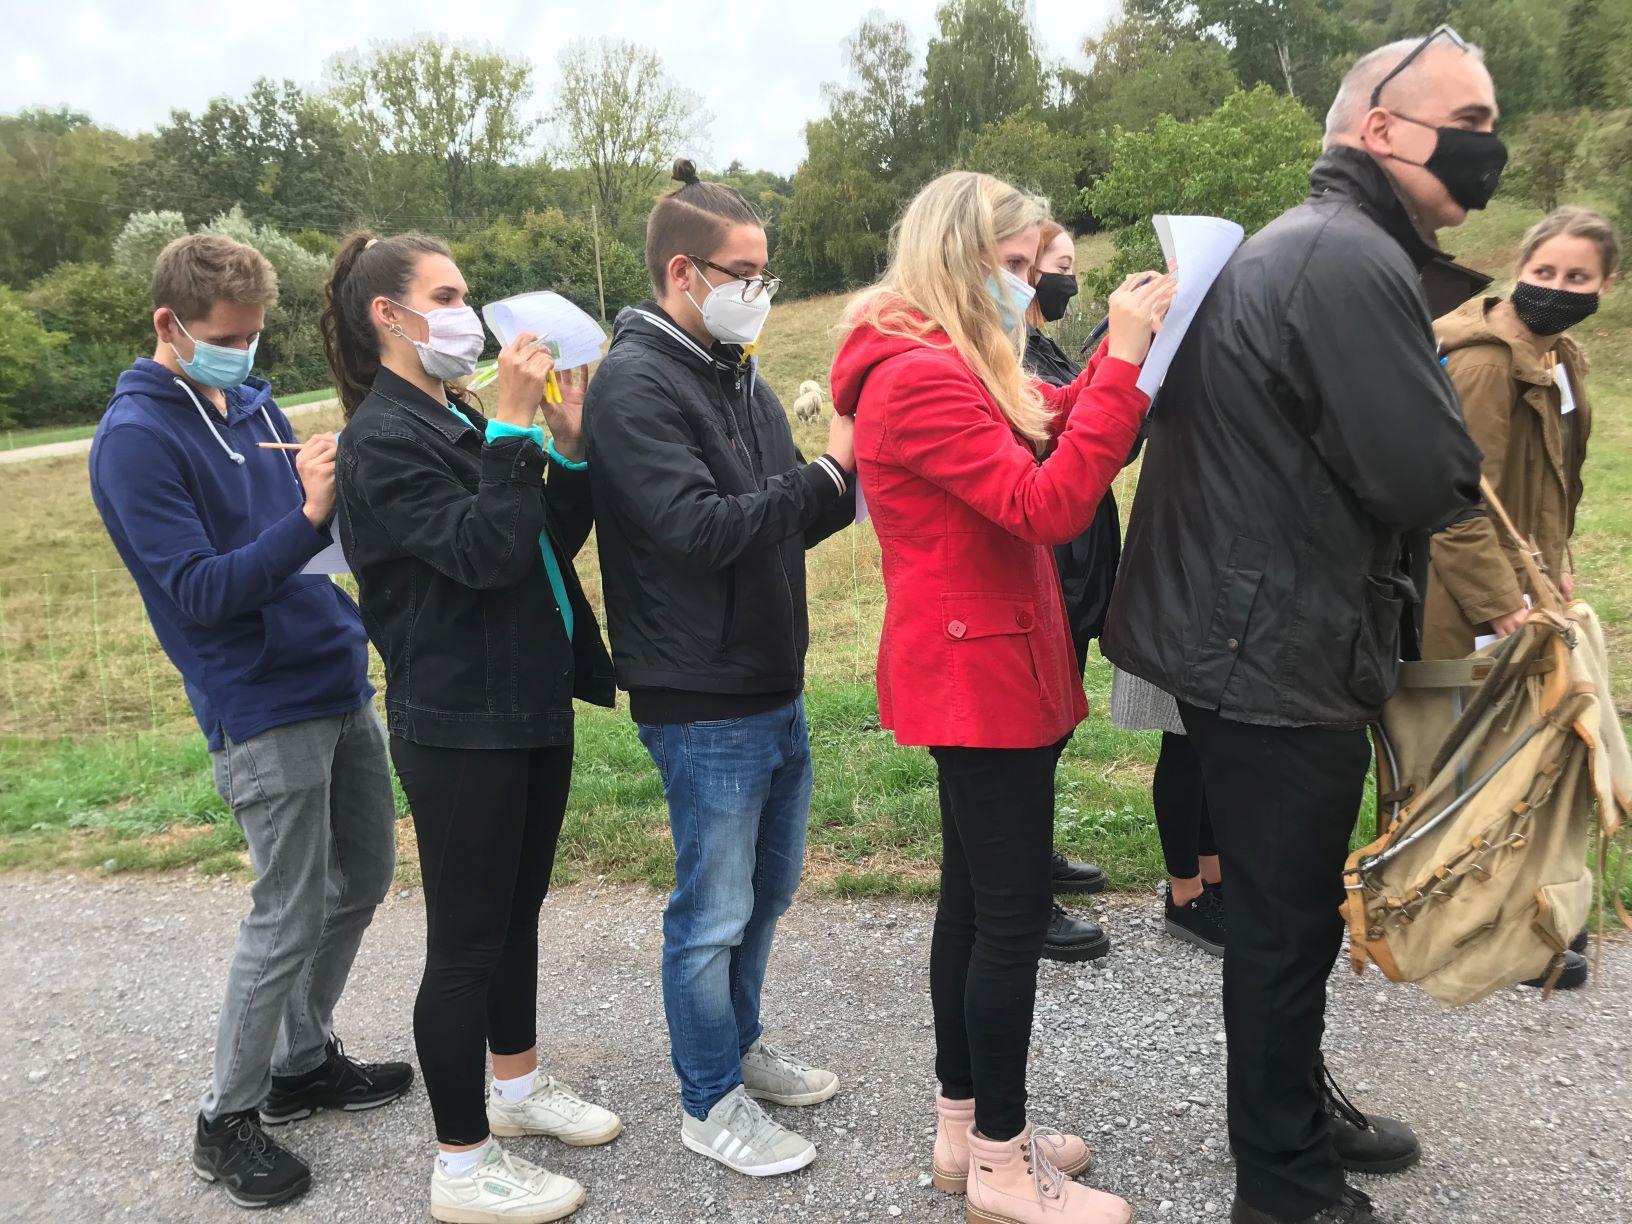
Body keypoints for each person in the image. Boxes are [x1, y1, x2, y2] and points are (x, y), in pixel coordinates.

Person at [1103, 28, 1498, 1224]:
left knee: (1294, 919)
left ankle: (1296, 1115)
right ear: (1380, 129)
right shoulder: (1341, 259)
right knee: (1282, 933)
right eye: (1468, 123)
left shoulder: (1323, 245)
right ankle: (1283, 1184)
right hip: (1270, 650)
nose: (1487, 147)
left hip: (1266, 632)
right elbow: (1428, 475)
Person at [831, 170, 1177, 1224]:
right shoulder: (919, 376)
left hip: (985, 663)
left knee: (976, 906)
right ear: (958, 258)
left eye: (1034, 264)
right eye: (1013, 264)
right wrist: (1124, 363)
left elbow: (1042, 416)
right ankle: (1000, 1165)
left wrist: (1120, 361)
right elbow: (1048, 503)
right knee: (1010, 919)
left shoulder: (947, 357)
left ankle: (964, 1131)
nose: (1028, 284)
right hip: (977, 677)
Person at [88, 234, 409, 1211]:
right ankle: (224, 1118)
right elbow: (198, 590)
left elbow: (298, 537)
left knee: (365, 877)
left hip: (334, 675)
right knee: (287, 911)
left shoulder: (254, 403)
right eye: (226, 338)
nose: (244, 350)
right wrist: (307, 518)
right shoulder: (135, 439)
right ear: (169, 324)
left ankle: (300, 1064)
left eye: (254, 334)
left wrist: (329, 493)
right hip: (259, 702)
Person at [326, 231, 621, 1224]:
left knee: (515, 913)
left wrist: (563, 446)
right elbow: (485, 554)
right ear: (389, 315)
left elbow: (543, 542)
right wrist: (510, 429)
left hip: (526, 698)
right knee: (464, 944)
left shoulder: (452, 414)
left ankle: (518, 1087)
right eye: (447, 296)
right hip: (459, 722)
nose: (469, 314)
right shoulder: (382, 439)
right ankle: (461, 1165)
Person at [583, 161, 855, 1178]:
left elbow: (780, 518)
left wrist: (844, 480)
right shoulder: (635, 384)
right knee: (711, 915)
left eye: (765, 274)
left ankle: (737, 1050)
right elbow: (699, 530)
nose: (761, 292)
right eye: (746, 274)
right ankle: (708, 1103)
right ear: (683, 273)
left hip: (770, 681)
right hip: (700, 697)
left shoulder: (736, 373)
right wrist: (825, 474)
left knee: (768, 891)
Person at [1424, 205, 1618, 990]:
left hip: (1526, 586)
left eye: (1577, 277)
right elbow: (1454, 500)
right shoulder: (1484, 364)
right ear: (1519, 268)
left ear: (1607, 284)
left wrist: (1555, 565)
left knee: (1515, 759)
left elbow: (1551, 481)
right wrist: (1501, 600)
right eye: (1544, 272)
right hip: (1471, 602)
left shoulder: (1557, 355)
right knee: (1471, 767)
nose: (1557, 287)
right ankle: (1465, 928)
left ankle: (1506, 914)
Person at [1020, 220, 1118, 965]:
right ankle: (1021, 885)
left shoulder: (1043, 348)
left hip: (1075, 559)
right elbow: (1064, 451)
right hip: (1052, 559)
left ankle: (1032, 856)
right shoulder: (1007, 357)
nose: (1063, 279)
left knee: (1050, 732)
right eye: (1056, 265)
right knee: (1029, 740)